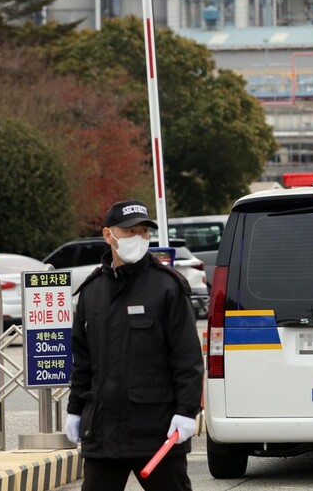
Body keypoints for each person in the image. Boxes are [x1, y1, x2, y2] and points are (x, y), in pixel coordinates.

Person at [64, 200, 203, 491]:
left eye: (143, 231)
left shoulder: (167, 287)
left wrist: (187, 411)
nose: (137, 238)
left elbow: (187, 358)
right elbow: (83, 361)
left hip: (156, 430)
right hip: (102, 431)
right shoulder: (92, 292)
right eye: (129, 231)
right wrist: (75, 409)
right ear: (108, 235)